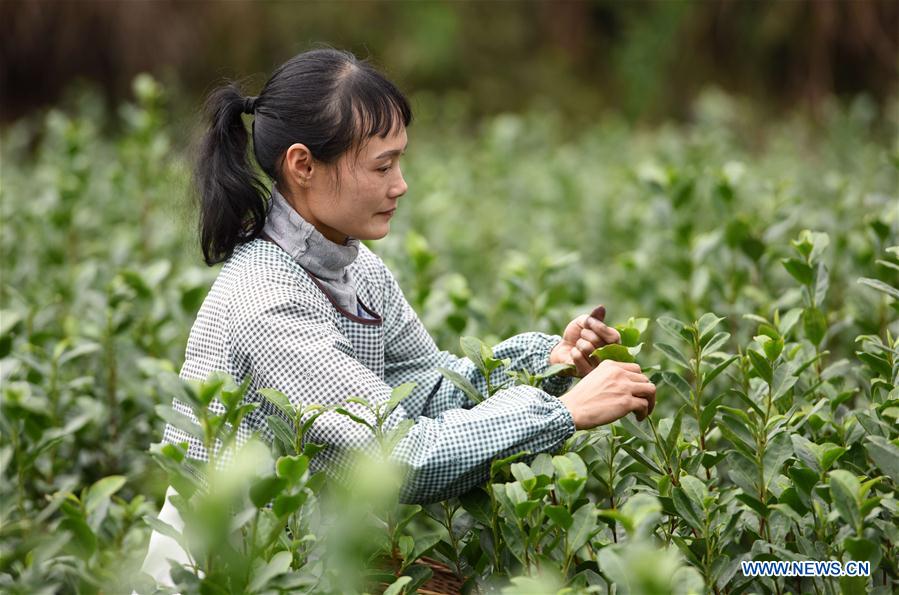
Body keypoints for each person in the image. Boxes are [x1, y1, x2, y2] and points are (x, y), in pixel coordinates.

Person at [142, 47, 655, 586]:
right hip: (224, 571)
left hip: (300, 562)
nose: (400, 184)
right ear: (302, 165)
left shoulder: (355, 267)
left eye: (399, 161)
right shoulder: (266, 302)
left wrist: (547, 364)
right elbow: (400, 457)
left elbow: (426, 389)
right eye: (382, 165)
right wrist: (565, 413)